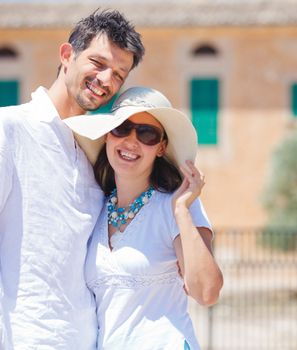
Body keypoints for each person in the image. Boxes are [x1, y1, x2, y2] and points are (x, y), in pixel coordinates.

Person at [0, 10, 144, 350]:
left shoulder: (95, 153)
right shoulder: (6, 128)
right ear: (67, 55)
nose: (106, 79)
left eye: (118, 74)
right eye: (97, 63)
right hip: (19, 339)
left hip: (86, 341)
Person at [64, 86, 224, 349]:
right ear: (107, 136)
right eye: (122, 128)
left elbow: (206, 292)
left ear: (161, 147)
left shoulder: (176, 205)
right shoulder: (95, 209)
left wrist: (182, 212)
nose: (131, 141)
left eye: (147, 134)